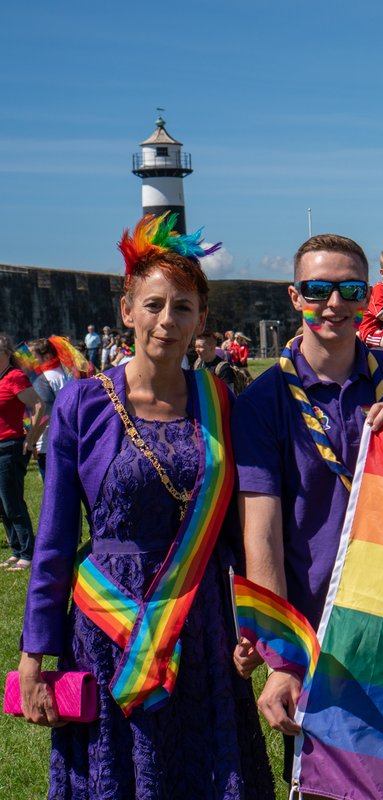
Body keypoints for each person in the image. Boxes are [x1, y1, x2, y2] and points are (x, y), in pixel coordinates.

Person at [18, 213, 273, 797]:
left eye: (183, 307)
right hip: (109, 626)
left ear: (201, 320)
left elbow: (236, 528)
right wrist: (36, 650)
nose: (167, 320)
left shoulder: (222, 402)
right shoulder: (83, 406)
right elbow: (54, 540)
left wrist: (249, 621)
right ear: (127, 311)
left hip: (201, 618)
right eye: (153, 305)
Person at [231, 233, 383, 771]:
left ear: (367, 295)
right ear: (294, 295)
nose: (334, 303)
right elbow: (261, 533)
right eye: (318, 288)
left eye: (349, 289)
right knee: (324, 781)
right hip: (315, 627)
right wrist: (283, 659)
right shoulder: (262, 401)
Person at [0, 333, 43, 571]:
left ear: (7, 354)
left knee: (12, 501)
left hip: (10, 447)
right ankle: (16, 550)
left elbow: (38, 405)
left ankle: (28, 553)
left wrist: (31, 437)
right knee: (2, 504)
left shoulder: (14, 377)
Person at [29, 338, 73, 479]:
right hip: (71, 439)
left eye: (33, 356)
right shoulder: (67, 374)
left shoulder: (44, 379)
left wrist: (32, 441)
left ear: (47, 356)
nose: (31, 361)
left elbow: (44, 415)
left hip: (50, 444)